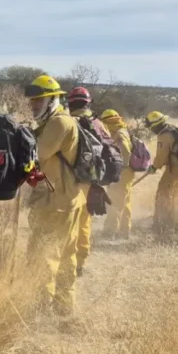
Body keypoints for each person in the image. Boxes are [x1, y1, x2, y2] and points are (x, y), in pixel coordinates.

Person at [23, 75, 86, 321]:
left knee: (43, 256)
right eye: (32, 101)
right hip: (67, 199)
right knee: (65, 256)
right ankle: (63, 308)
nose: (34, 105)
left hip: (54, 203)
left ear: (53, 98)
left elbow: (34, 156)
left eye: (39, 99)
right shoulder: (55, 121)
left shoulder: (59, 123)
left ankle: (39, 313)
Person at [66, 87, 103, 276]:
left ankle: (71, 263)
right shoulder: (98, 123)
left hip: (75, 180)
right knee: (85, 222)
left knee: (72, 222)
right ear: (88, 103)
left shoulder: (71, 122)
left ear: (71, 103)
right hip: (94, 180)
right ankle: (81, 261)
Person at [145, 111, 178, 241]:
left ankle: (161, 227)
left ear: (155, 125)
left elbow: (161, 156)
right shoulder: (175, 130)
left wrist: (154, 167)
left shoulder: (164, 136)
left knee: (162, 196)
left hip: (175, 172)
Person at [100, 109, 135, 238]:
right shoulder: (122, 131)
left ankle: (109, 232)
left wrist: (119, 168)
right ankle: (124, 231)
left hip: (122, 173)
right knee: (124, 203)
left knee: (114, 203)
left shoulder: (119, 134)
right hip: (127, 172)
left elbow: (125, 152)